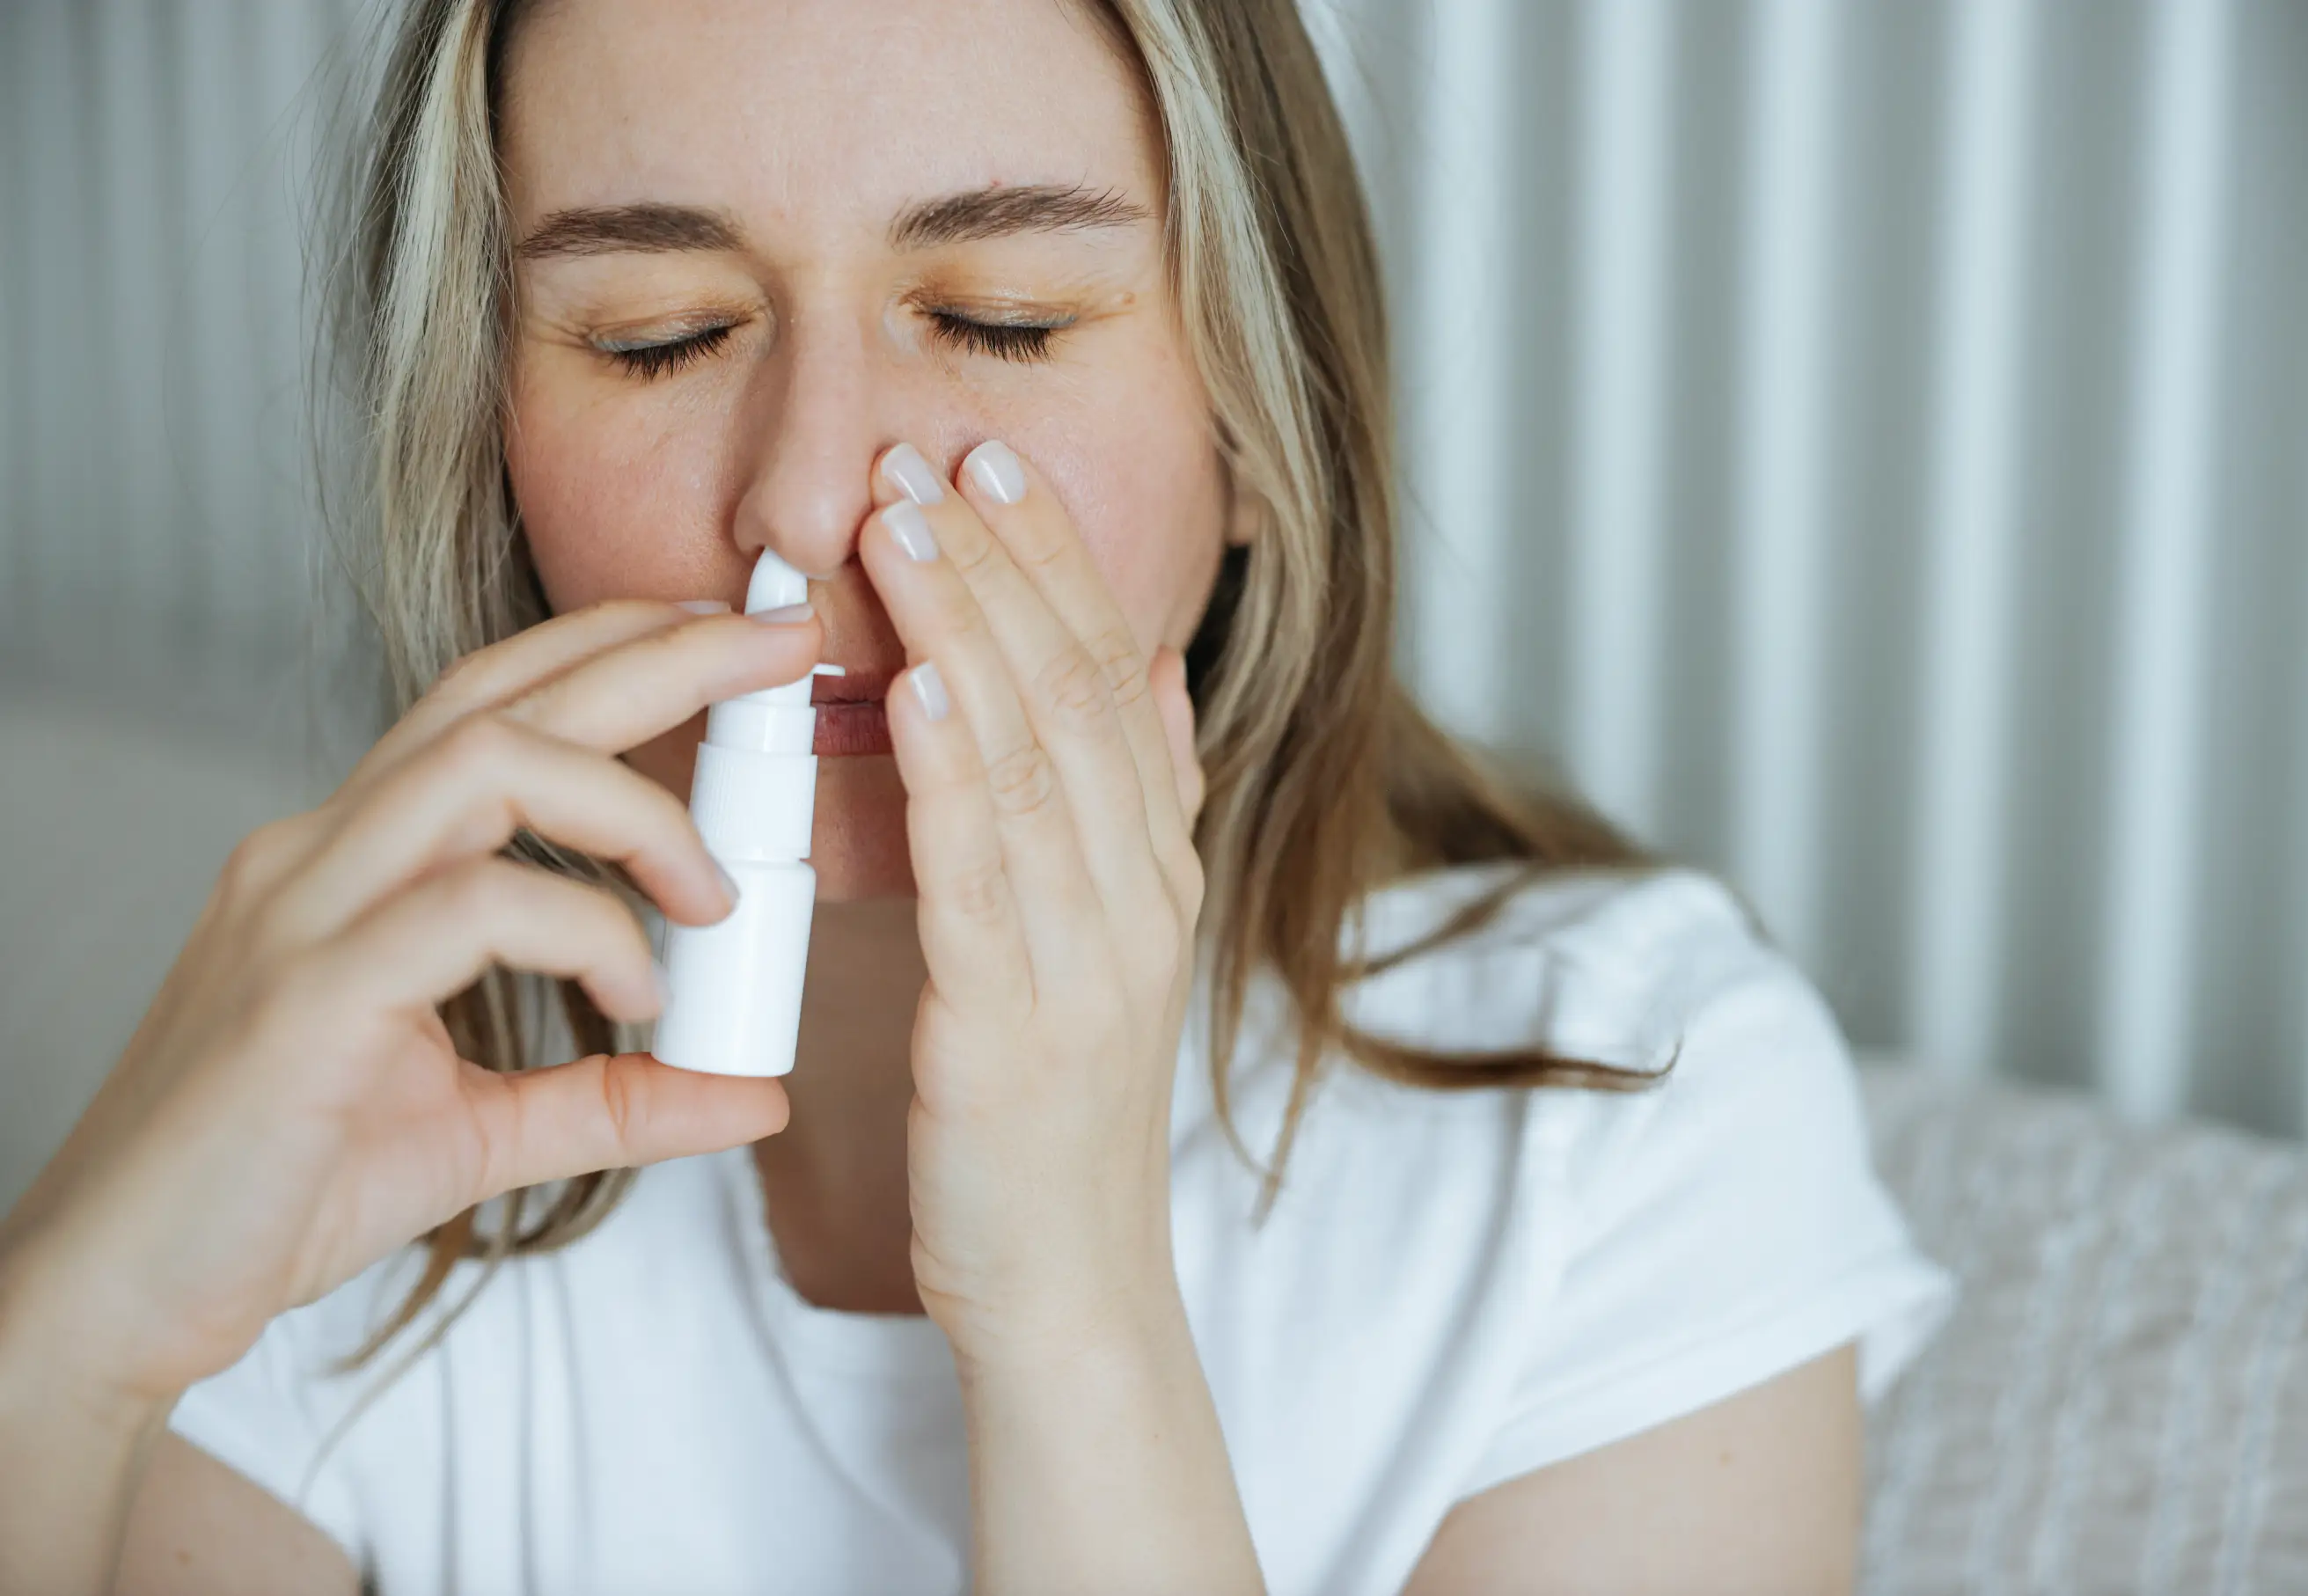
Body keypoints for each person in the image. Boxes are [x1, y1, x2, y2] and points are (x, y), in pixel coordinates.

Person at [0, 0, 1958, 1590]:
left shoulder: (1624, 1121)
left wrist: (1071, 1300)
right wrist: (68, 1337)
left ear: (1265, 429)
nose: (805, 496)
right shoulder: (373, 1135)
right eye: (658, 337)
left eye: (1000, 316)